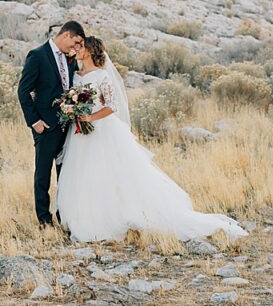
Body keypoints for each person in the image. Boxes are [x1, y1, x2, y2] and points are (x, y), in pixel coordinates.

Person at [55, 36, 248, 242]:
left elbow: (112, 105)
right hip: (80, 133)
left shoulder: (102, 76)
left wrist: (90, 117)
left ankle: (111, 218)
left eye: (81, 46)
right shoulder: (75, 75)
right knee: (83, 173)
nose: (77, 49)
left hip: (102, 130)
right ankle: (83, 217)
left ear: (91, 50)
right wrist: (73, 112)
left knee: (110, 173)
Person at [17, 20, 85, 227]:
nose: (75, 48)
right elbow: (23, 91)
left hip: (68, 126)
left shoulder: (70, 59)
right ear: (66, 35)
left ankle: (63, 215)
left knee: (65, 174)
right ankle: (44, 220)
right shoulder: (37, 55)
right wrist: (34, 122)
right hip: (45, 126)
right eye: (75, 42)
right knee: (43, 175)